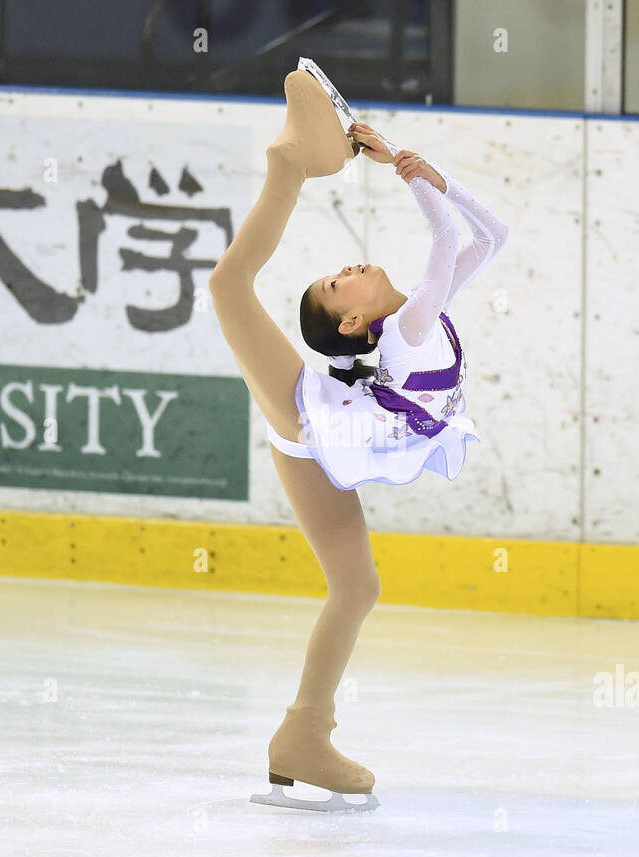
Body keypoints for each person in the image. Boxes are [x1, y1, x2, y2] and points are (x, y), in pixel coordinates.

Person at [208, 69, 508, 812]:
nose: (344, 270)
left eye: (338, 275)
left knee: (358, 586)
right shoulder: (410, 323)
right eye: (336, 285)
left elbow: (492, 236)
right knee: (228, 286)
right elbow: (446, 234)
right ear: (350, 324)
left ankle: (302, 736)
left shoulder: (423, 316)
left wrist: (419, 165)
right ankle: (287, 166)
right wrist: (408, 165)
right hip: (309, 419)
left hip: (326, 444)